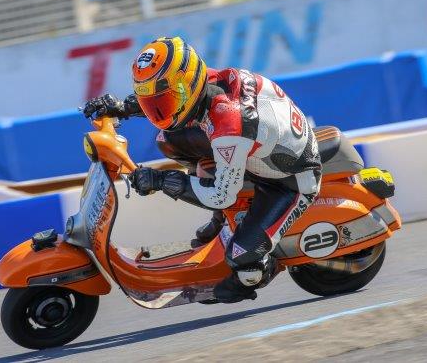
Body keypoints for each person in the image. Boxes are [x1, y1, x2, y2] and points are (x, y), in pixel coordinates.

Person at [83, 36, 321, 303]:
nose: (160, 112)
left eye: (165, 101)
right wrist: (122, 107)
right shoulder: (204, 83)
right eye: (153, 101)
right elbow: (169, 96)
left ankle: (260, 269)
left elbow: (222, 196)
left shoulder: (229, 125)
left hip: (290, 180)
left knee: (241, 258)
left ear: (188, 83)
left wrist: (161, 180)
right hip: (262, 148)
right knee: (169, 139)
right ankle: (225, 220)